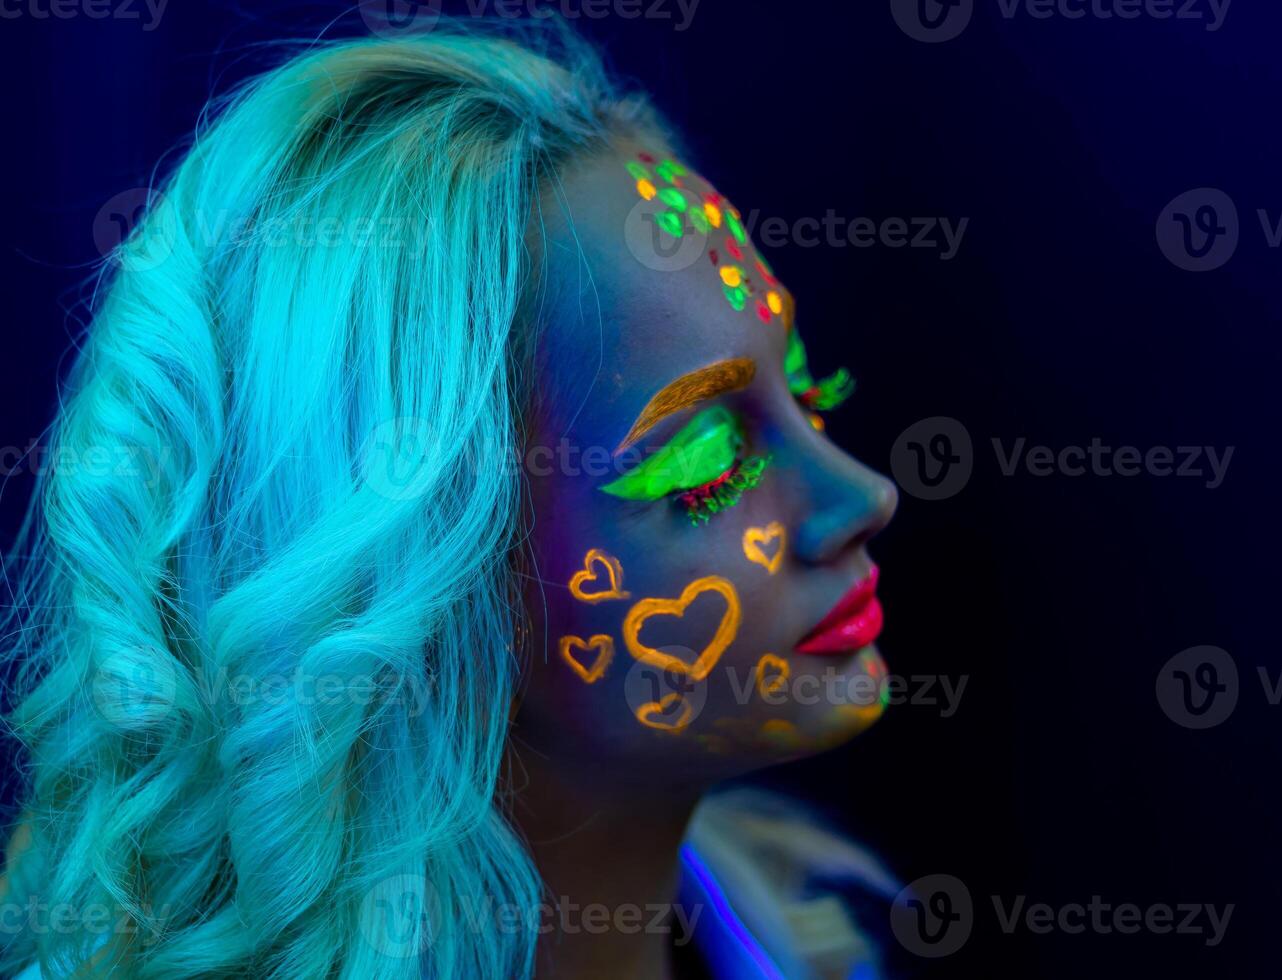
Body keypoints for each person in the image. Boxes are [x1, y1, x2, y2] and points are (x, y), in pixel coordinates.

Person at [0, 23, 900, 979]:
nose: (863, 495)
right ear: (424, 582)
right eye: (708, 459)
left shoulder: (816, 941)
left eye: (808, 393)